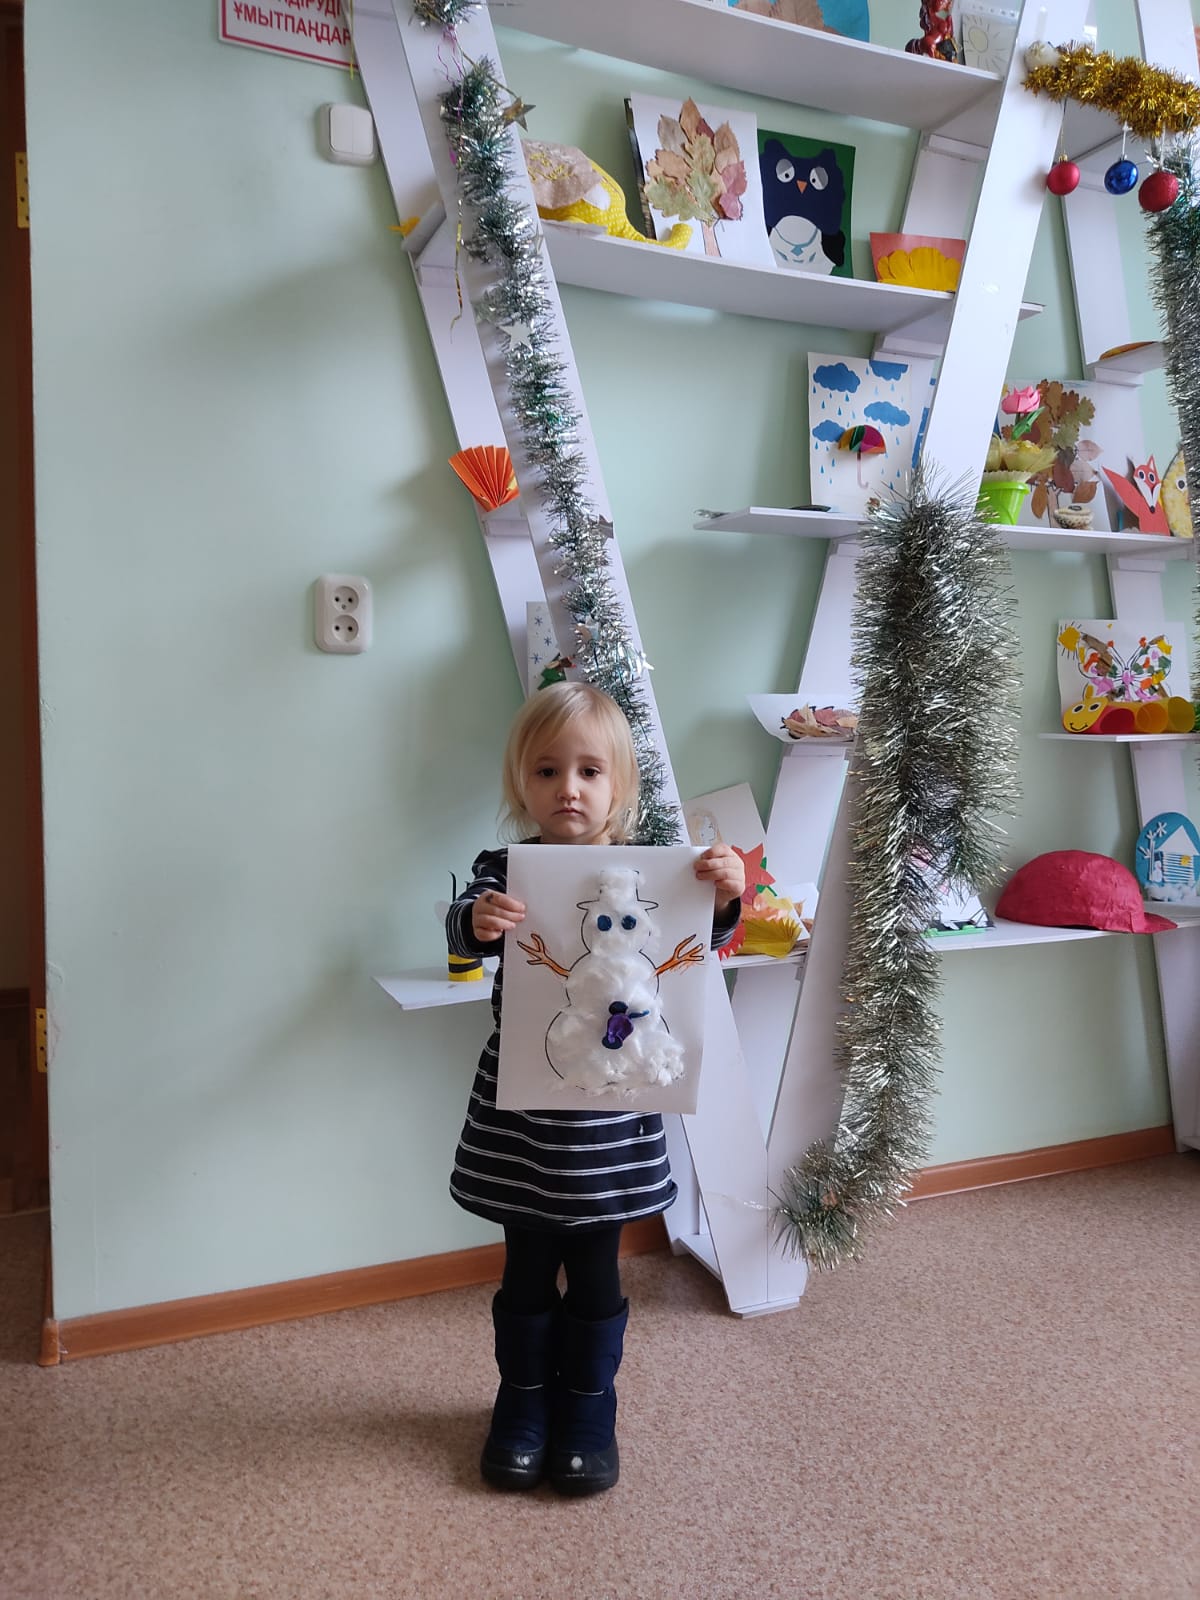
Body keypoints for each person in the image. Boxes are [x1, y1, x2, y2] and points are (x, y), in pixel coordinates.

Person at [445, 681, 744, 1496]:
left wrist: (725, 893)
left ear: (620, 786)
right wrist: (476, 922)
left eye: (588, 771)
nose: (567, 789)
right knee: (526, 1266)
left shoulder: (657, 871)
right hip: (524, 1119)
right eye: (546, 771)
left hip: (609, 1123)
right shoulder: (506, 870)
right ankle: (522, 1400)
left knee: (597, 1268)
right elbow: (465, 924)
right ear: (521, 784)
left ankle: (588, 1404)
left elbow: (704, 937)